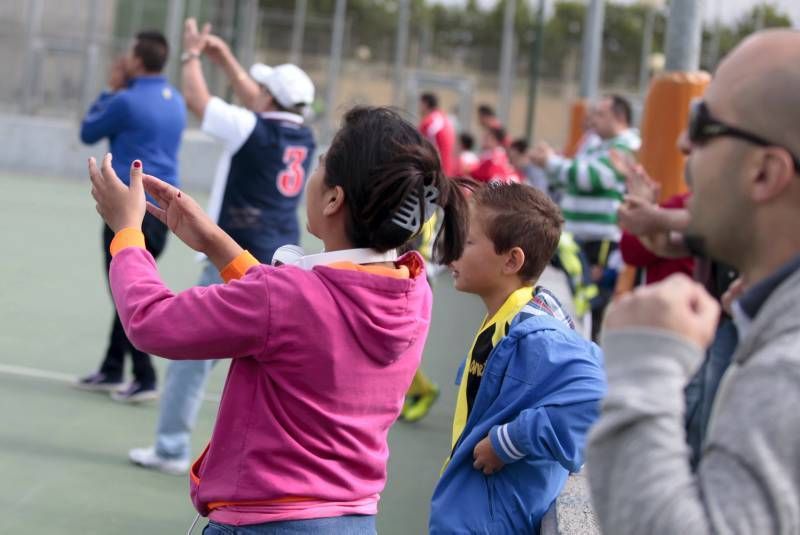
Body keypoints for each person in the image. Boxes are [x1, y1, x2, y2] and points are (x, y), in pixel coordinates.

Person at [88, 104, 469, 533]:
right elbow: (306, 315)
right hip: (352, 519)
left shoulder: (286, 298)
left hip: (265, 523)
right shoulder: (413, 289)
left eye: (322, 164)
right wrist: (215, 242)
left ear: (333, 199)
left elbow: (151, 322)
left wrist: (126, 234)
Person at [587, 29, 800, 534]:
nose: (682, 143)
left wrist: (646, 363)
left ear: (765, 174)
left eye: (704, 126)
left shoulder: (787, 369)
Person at [128, 20, 316, 474]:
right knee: (263, 366)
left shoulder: (250, 126)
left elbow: (199, 101)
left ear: (269, 98)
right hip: (283, 259)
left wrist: (192, 55)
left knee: (192, 361)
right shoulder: (302, 135)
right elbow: (261, 98)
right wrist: (226, 59)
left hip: (232, 257)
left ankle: (172, 448)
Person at [429, 183, 606, 533]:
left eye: (466, 241)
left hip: (491, 520)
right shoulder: (508, 320)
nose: (451, 252)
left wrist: (507, 441)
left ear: (511, 260)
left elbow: (600, 396)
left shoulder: (534, 334)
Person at [76, 30, 186, 402]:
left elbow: (88, 130)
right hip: (165, 207)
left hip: (128, 207)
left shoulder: (124, 100)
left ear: (137, 61)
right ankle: (111, 368)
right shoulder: (177, 101)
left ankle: (144, 376)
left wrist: (109, 89)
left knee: (127, 289)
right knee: (129, 282)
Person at [531, 94, 641, 340]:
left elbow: (589, 177)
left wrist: (551, 161)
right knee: (584, 304)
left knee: (595, 303)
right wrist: (551, 165)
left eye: (601, 114)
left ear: (619, 118)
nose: (593, 120)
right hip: (579, 237)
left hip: (601, 241)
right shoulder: (594, 144)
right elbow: (568, 179)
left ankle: (595, 355)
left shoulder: (626, 147)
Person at [419, 92, 457, 176]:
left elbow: (417, 145)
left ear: (425, 104)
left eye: (420, 104)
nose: (419, 108)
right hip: (447, 172)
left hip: (437, 173)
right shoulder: (444, 118)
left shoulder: (429, 122)